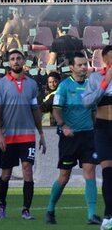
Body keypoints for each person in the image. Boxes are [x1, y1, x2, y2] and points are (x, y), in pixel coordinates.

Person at [46, 52, 101, 225]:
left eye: (85, 64)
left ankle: (92, 215)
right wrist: (63, 126)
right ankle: (50, 209)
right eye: (80, 65)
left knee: (90, 172)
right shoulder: (64, 86)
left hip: (87, 136)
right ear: (71, 68)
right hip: (69, 138)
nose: (84, 67)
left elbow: (93, 111)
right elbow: (56, 109)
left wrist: (96, 130)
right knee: (64, 177)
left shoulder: (90, 86)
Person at [0, 49, 46, 220]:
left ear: (24, 62)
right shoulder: (0, 84)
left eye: (18, 58)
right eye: (12, 59)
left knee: (27, 170)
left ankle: (26, 210)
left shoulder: (31, 84)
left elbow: (35, 109)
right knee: (6, 174)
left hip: (27, 135)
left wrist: (41, 133)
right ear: (9, 63)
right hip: (8, 136)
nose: (15, 61)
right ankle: (1, 204)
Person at [82, 45, 112, 230]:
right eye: (110, 60)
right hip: (102, 129)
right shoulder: (95, 78)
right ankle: (108, 215)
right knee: (108, 173)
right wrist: (105, 82)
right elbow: (86, 102)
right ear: (105, 60)